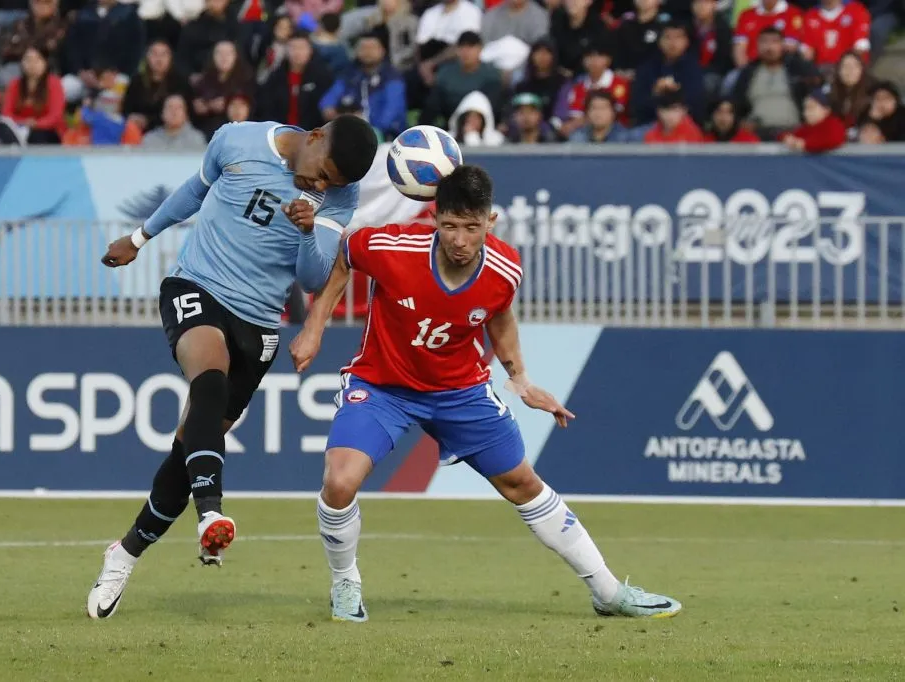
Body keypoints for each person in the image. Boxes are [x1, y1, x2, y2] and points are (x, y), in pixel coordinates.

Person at [287, 165, 683, 623]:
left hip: (460, 391)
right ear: (434, 218)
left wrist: (521, 379)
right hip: (382, 385)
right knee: (340, 481)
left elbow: (499, 316)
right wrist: (314, 328)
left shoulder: (505, 268)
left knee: (523, 483)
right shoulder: (391, 247)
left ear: (490, 222)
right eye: (450, 225)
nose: (460, 239)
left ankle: (609, 592)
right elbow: (343, 257)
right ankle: (345, 583)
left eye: (471, 227)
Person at [89, 114, 379, 620]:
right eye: (322, 173)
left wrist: (307, 231)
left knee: (189, 447)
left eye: (331, 183)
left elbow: (313, 279)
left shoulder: (340, 195)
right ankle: (211, 514)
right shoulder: (238, 139)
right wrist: (138, 238)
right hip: (197, 286)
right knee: (210, 378)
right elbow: (193, 191)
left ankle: (125, 553)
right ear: (314, 139)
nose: (321, 185)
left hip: (259, 322)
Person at [319, 31, 406, 139]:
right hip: (350, 133)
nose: (367, 52)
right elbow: (329, 98)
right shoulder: (349, 75)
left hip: (386, 136)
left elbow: (391, 112)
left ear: (382, 50)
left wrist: (363, 120)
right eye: (363, 48)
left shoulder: (392, 77)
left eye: (372, 48)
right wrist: (329, 109)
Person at [255, 30, 333, 130]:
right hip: (280, 131)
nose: (297, 52)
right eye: (293, 47)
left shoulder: (322, 76)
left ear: (310, 50)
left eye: (302, 48)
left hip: (312, 132)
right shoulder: (276, 76)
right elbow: (265, 105)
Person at [632, 21, 706, 126]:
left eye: (678, 37)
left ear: (686, 41)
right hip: (650, 124)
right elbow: (637, 103)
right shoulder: (647, 67)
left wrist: (674, 94)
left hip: (685, 125)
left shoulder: (693, 68)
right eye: (667, 37)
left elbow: (696, 102)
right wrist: (655, 92)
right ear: (659, 41)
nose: (673, 43)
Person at [123, 40, 193, 134]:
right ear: (147, 57)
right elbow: (126, 109)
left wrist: (148, 120)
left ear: (170, 58)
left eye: (164, 54)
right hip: (139, 130)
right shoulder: (137, 81)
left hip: (171, 130)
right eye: (154, 54)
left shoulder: (180, 82)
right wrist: (133, 117)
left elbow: (186, 112)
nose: (159, 59)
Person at [2, 45, 66, 144]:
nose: (32, 64)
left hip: (48, 131)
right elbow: (6, 113)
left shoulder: (54, 83)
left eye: (37, 60)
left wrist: (35, 124)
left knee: (37, 135)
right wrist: (23, 122)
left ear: (45, 63)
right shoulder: (14, 84)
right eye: (28, 60)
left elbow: (55, 116)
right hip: (19, 129)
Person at [191, 40, 254, 136]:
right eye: (219, 53)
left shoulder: (246, 80)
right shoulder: (203, 80)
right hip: (206, 131)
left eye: (228, 53)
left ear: (236, 56)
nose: (224, 57)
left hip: (237, 131)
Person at [801, 0, 870, 70]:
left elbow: (860, 48)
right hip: (820, 69)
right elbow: (807, 51)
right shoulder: (810, 15)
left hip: (847, 69)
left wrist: (846, 68)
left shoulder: (856, 11)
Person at [142, 94, 208, 149]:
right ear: (162, 114)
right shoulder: (150, 139)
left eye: (178, 108)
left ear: (186, 114)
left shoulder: (196, 139)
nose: (174, 112)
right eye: (170, 107)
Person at [829, 51, 871, 138]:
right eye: (845, 66)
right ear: (838, 70)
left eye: (855, 66)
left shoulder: (872, 93)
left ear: (862, 69)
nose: (850, 71)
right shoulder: (830, 95)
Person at [568, 90, 633, 142]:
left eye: (603, 108)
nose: (598, 113)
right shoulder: (577, 137)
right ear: (587, 113)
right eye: (594, 108)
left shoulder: (626, 138)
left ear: (613, 113)